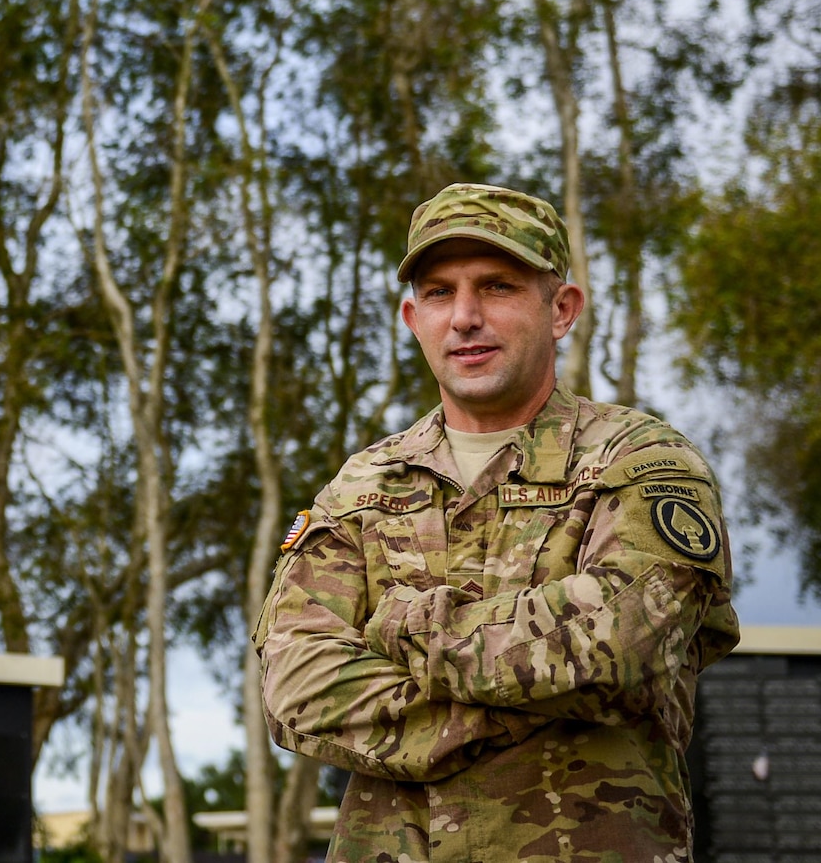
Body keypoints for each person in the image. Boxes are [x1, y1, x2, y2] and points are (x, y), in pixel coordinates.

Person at [255, 182, 739, 862]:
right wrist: (521, 707)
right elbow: (294, 683)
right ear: (411, 317)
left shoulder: (639, 460)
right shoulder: (363, 486)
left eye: (498, 286)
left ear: (561, 309)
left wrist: (404, 626)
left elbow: (617, 642)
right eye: (439, 292)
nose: (464, 317)